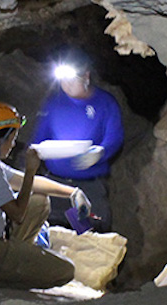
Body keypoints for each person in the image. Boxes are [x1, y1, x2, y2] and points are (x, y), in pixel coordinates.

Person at [0, 101, 92, 289]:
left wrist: (73, 193)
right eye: (12, 138)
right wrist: (31, 170)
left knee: (39, 200)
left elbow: (24, 182)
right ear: (0, 139)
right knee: (65, 271)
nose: (13, 144)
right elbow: (18, 214)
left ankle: (17, 258)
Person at [32, 48, 124, 232]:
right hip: (56, 185)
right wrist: (33, 156)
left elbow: (114, 136)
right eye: (62, 79)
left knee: (87, 237)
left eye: (71, 79)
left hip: (87, 186)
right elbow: (39, 137)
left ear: (86, 76)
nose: (66, 85)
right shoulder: (54, 103)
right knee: (55, 237)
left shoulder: (104, 103)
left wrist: (101, 152)